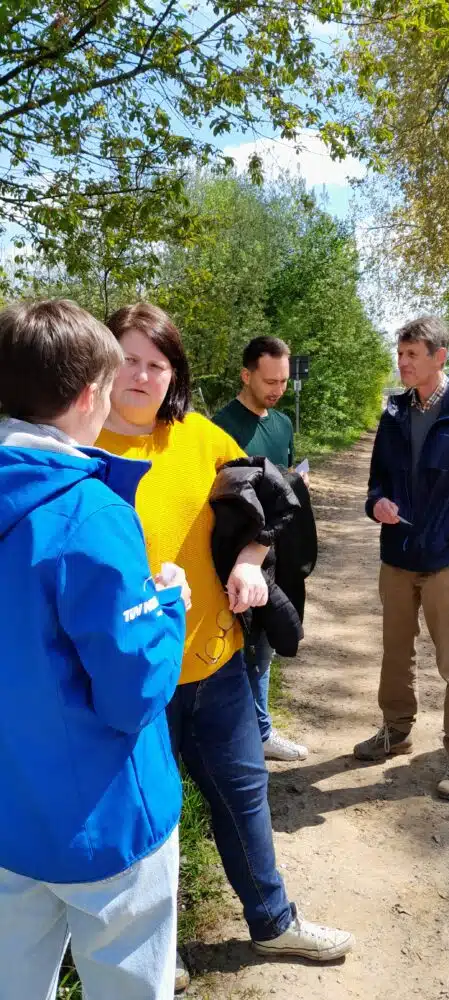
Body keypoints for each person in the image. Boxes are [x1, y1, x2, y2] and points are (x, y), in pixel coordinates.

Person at [97, 303, 354, 990]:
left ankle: (272, 922)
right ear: (100, 362)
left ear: (174, 373)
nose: (142, 375)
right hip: (131, 685)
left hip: (215, 664)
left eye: (157, 363)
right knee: (147, 821)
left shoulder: (199, 436)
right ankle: (156, 947)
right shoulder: (79, 444)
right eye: (127, 359)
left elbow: (266, 503)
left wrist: (248, 559)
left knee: (245, 796)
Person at [0, 299, 188, 1000]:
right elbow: (133, 690)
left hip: (11, 816)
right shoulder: (91, 513)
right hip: (106, 826)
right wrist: (168, 605)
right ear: (88, 396)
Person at [354, 315, 449, 800]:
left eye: (412, 354)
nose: (402, 362)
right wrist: (377, 503)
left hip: (445, 560)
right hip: (397, 555)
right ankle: (395, 731)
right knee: (396, 652)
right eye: (400, 354)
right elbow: (377, 481)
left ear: (440, 357)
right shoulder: (394, 412)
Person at [213, 336, 310, 761]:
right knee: (242, 647)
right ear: (246, 375)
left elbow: (282, 476)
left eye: (283, 382)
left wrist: (297, 483)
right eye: (270, 381)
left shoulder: (283, 423)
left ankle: (258, 732)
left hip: (278, 549)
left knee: (266, 643)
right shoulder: (220, 427)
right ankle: (247, 736)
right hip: (237, 555)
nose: (278, 390)